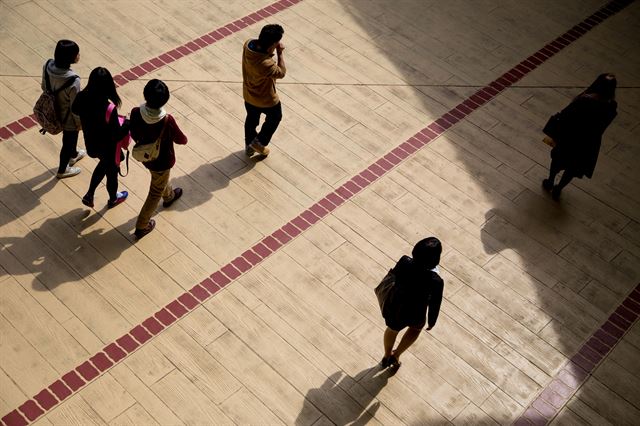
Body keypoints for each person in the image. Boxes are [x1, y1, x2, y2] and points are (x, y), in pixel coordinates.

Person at [542, 73, 618, 200]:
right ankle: (559, 188)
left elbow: (566, 114)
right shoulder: (611, 106)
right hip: (589, 142)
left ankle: (550, 181)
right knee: (573, 167)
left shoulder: (585, 99)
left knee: (558, 160)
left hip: (571, 137)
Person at [130, 79, 187, 239]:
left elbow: (133, 133)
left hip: (146, 157)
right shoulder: (167, 120)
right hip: (163, 160)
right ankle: (142, 225)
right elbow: (181, 139)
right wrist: (184, 139)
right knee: (155, 191)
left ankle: (169, 196)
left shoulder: (135, 112)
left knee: (159, 179)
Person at [381, 237, 444, 368]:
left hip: (396, 306)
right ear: (436, 259)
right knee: (415, 330)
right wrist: (431, 321)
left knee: (392, 329)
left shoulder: (404, 261)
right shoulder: (436, 280)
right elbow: (435, 303)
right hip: (416, 311)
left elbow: (393, 278)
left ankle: (386, 355)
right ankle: (396, 354)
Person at [71, 67, 129, 208]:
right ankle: (113, 198)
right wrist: (128, 124)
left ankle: (90, 195)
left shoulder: (81, 97)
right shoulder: (109, 108)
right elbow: (117, 135)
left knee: (104, 164)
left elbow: (74, 110)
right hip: (108, 147)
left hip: (91, 143)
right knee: (112, 173)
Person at [242, 24, 286, 157]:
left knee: (251, 120)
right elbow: (281, 72)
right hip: (267, 100)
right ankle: (259, 143)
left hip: (249, 95)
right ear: (273, 43)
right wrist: (279, 53)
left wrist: (271, 48)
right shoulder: (265, 64)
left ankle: (249, 144)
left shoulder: (248, 45)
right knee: (275, 117)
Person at [42, 40, 84, 179]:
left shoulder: (47, 65)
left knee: (70, 142)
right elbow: (76, 106)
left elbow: (44, 87)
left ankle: (74, 154)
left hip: (52, 110)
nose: (79, 55)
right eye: (76, 54)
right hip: (68, 116)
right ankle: (62, 169)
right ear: (70, 57)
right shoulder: (73, 80)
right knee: (68, 141)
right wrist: (80, 124)